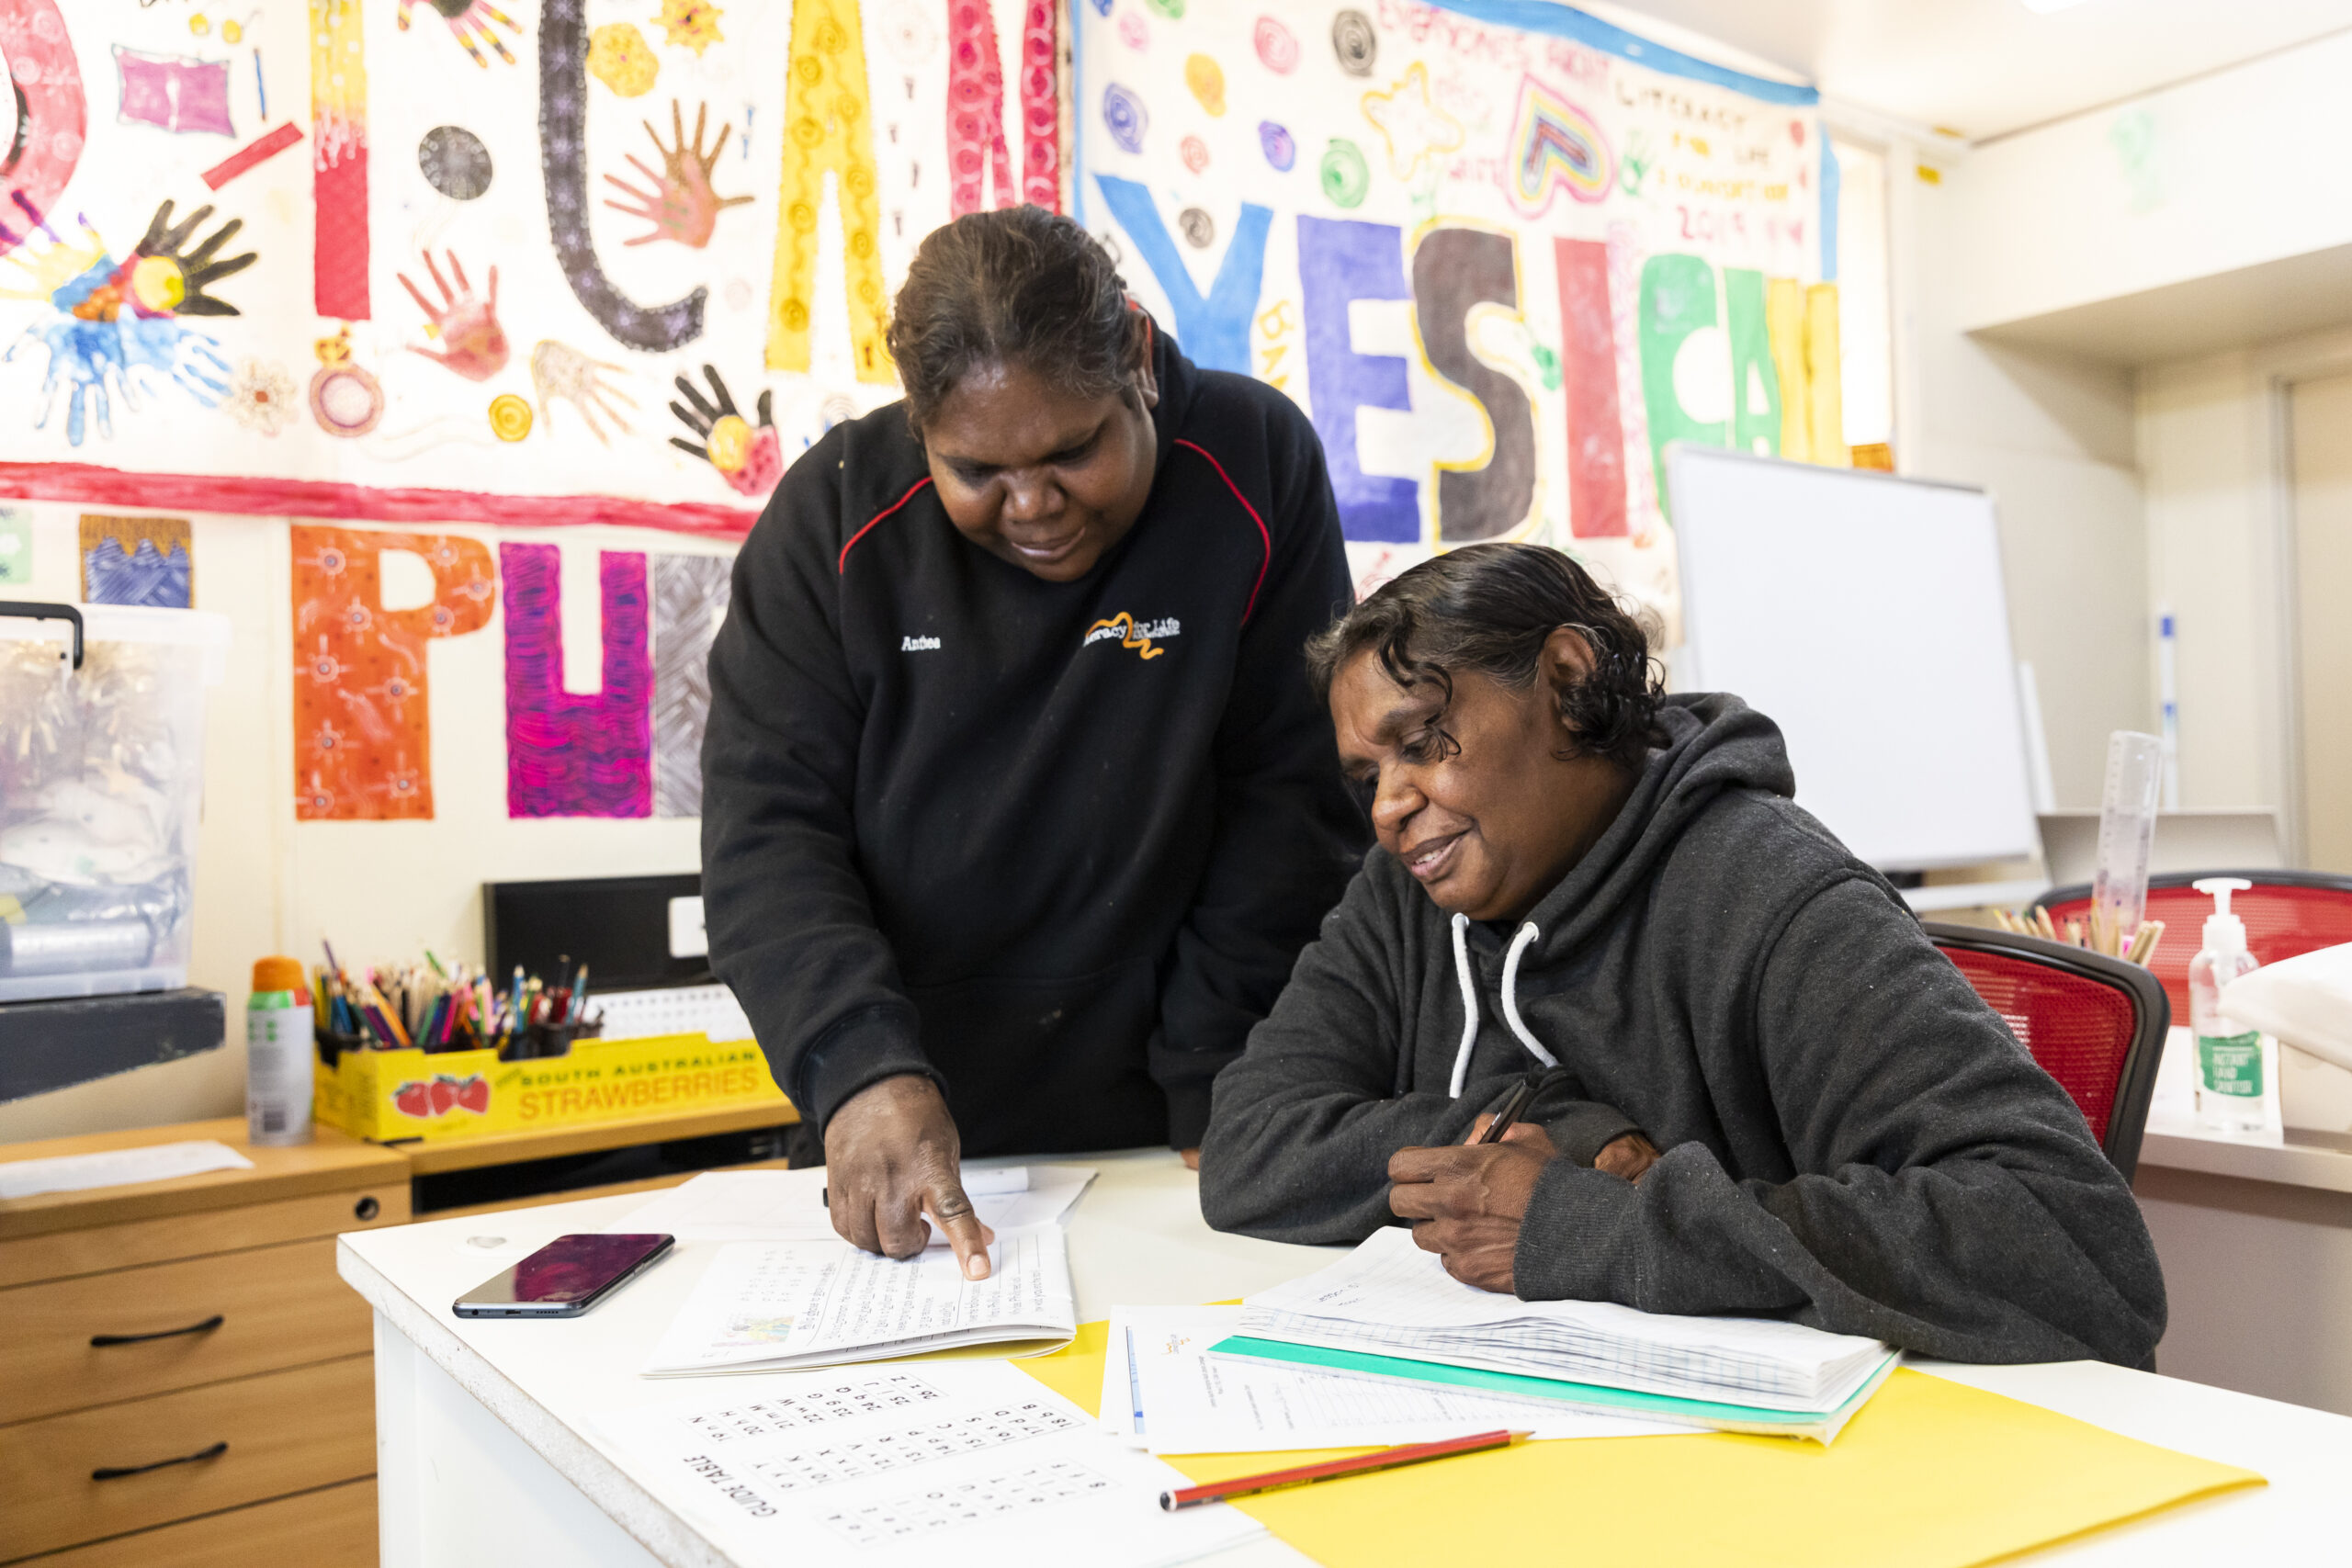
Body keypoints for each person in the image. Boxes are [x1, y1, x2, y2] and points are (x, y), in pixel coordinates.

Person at [1197, 543, 2165, 1367]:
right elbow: (1248, 1146)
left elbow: (2070, 1241)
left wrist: (1596, 1225)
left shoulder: (1773, 894)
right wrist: (1559, 1129)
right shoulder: (1407, 890)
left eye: (1423, 741)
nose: (1387, 807)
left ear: (1567, 680)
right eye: (1367, 774)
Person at [702, 208, 1365, 1281]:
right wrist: (858, 1065)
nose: (1033, 505)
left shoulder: (1252, 458)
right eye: (976, 471)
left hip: (1187, 1095)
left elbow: (1288, 798)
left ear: (1137, 359)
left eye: (1073, 451)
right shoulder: (833, 515)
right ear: (918, 424)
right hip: (906, 1100)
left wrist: (1217, 1071)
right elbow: (766, 835)